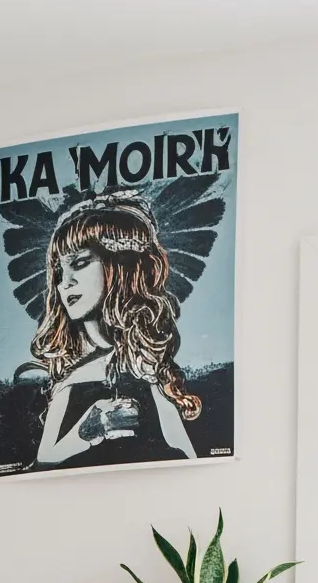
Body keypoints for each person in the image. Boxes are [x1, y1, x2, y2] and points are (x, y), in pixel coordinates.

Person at [30, 195, 200, 470]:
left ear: (119, 267)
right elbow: (42, 464)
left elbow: (188, 460)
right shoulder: (71, 382)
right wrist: (88, 431)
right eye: (59, 273)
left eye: (80, 263)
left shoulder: (147, 369)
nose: (65, 283)